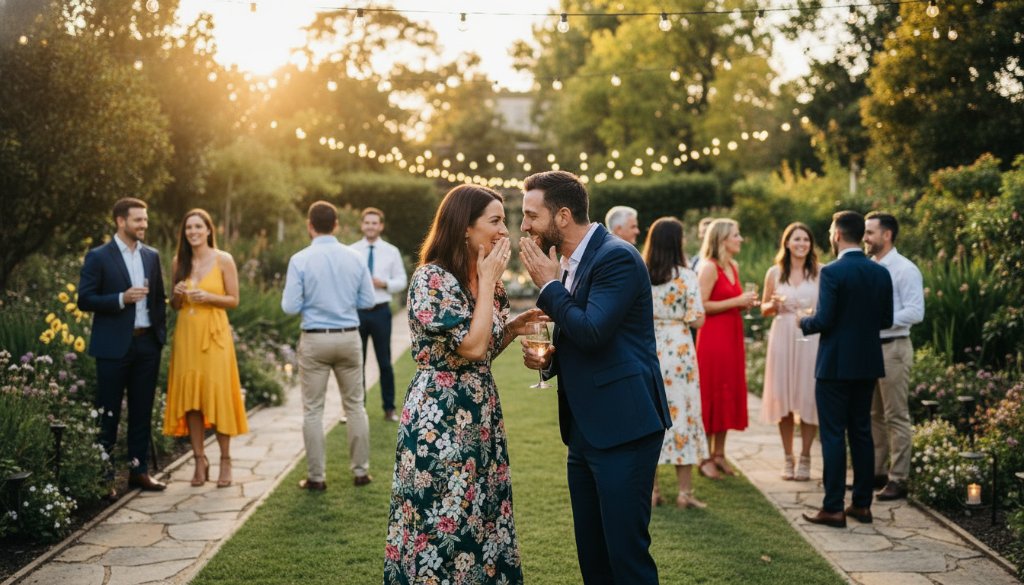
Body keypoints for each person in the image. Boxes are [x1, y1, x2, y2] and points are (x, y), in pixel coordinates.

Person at [383, 185, 541, 584]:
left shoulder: (484, 276)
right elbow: (470, 347)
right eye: (495, 221)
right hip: (440, 414)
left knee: (483, 511)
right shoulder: (431, 279)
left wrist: (513, 328)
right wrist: (487, 283)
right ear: (465, 228)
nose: (505, 230)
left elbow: (483, 350)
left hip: (481, 409)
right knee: (440, 515)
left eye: (504, 220)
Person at [519, 170, 670, 585]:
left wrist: (549, 284)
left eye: (531, 215)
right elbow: (577, 336)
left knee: (626, 556)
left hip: (624, 425)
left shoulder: (615, 256)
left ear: (562, 216)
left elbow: (593, 330)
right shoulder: (569, 260)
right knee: (593, 553)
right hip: (585, 430)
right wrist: (548, 359)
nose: (524, 226)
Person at [800, 211, 893, 528]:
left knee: (833, 436)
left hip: (835, 365)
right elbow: (886, 320)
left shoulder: (833, 272)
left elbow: (823, 320)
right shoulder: (880, 273)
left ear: (837, 235)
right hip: (867, 363)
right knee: (862, 433)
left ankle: (833, 507)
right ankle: (863, 505)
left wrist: (803, 320)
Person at [282, 201, 376, 491]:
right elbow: (368, 301)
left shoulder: (300, 259)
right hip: (348, 337)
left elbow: (289, 306)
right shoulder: (355, 257)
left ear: (310, 226)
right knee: (356, 406)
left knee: (312, 410)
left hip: (315, 338)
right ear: (336, 225)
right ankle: (361, 472)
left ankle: (316, 477)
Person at [77, 197, 167, 497]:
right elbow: (85, 299)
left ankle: (139, 472)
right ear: (120, 221)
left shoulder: (152, 256)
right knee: (108, 414)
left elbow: (158, 300)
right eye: (138, 220)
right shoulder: (99, 256)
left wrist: (158, 338)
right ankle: (103, 479)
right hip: (112, 347)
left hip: (146, 346)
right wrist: (121, 298)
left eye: (145, 219)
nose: (144, 224)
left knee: (142, 411)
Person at [163, 209, 249, 488]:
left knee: (218, 394)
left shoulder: (224, 260)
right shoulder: (179, 261)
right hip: (187, 336)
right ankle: (199, 460)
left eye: (198, 226)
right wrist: (175, 297)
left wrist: (208, 296)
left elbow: (234, 299)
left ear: (209, 230)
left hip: (214, 336)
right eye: (189, 227)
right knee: (192, 401)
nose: (193, 232)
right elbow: (175, 305)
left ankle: (225, 459)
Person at [642, 217, 709, 510]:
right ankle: (684, 492)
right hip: (680, 349)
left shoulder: (641, 273)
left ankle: (653, 491)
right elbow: (697, 317)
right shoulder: (686, 275)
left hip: (649, 347)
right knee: (684, 415)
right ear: (678, 242)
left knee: (652, 416)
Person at [864, 211, 924, 501]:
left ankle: (898, 478)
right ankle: (875, 473)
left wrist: (879, 320)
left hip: (895, 348)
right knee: (873, 414)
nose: (865, 238)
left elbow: (916, 311)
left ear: (886, 235)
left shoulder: (904, 269)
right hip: (871, 349)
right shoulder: (870, 266)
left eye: (869, 232)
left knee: (896, 415)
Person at [694, 219, 758, 480]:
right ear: (721, 239)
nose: (740, 239)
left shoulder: (733, 266)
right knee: (712, 391)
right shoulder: (709, 268)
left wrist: (743, 304)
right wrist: (736, 301)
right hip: (713, 338)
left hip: (732, 335)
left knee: (728, 390)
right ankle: (704, 456)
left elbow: (731, 301)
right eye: (736, 235)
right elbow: (701, 305)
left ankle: (720, 453)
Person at [759, 223, 821, 482]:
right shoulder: (775, 273)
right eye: (796, 239)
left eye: (805, 239)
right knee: (783, 397)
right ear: (786, 243)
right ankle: (788, 457)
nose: (801, 244)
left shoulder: (820, 272)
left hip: (810, 337)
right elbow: (763, 308)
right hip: (782, 334)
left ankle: (806, 456)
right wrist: (772, 304)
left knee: (809, 396)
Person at [350, 207, 408, 423]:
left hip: (381, 311)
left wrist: (385, 283)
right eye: (367, 223)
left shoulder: (391, 252)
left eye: (375, 223)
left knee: (385, 362)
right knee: (357, 363)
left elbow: (401, 280)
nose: (370, 226)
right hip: (357, 313)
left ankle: (389, 409)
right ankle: (355, 409)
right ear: (362, 225)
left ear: (381, 226)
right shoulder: (352, 251)